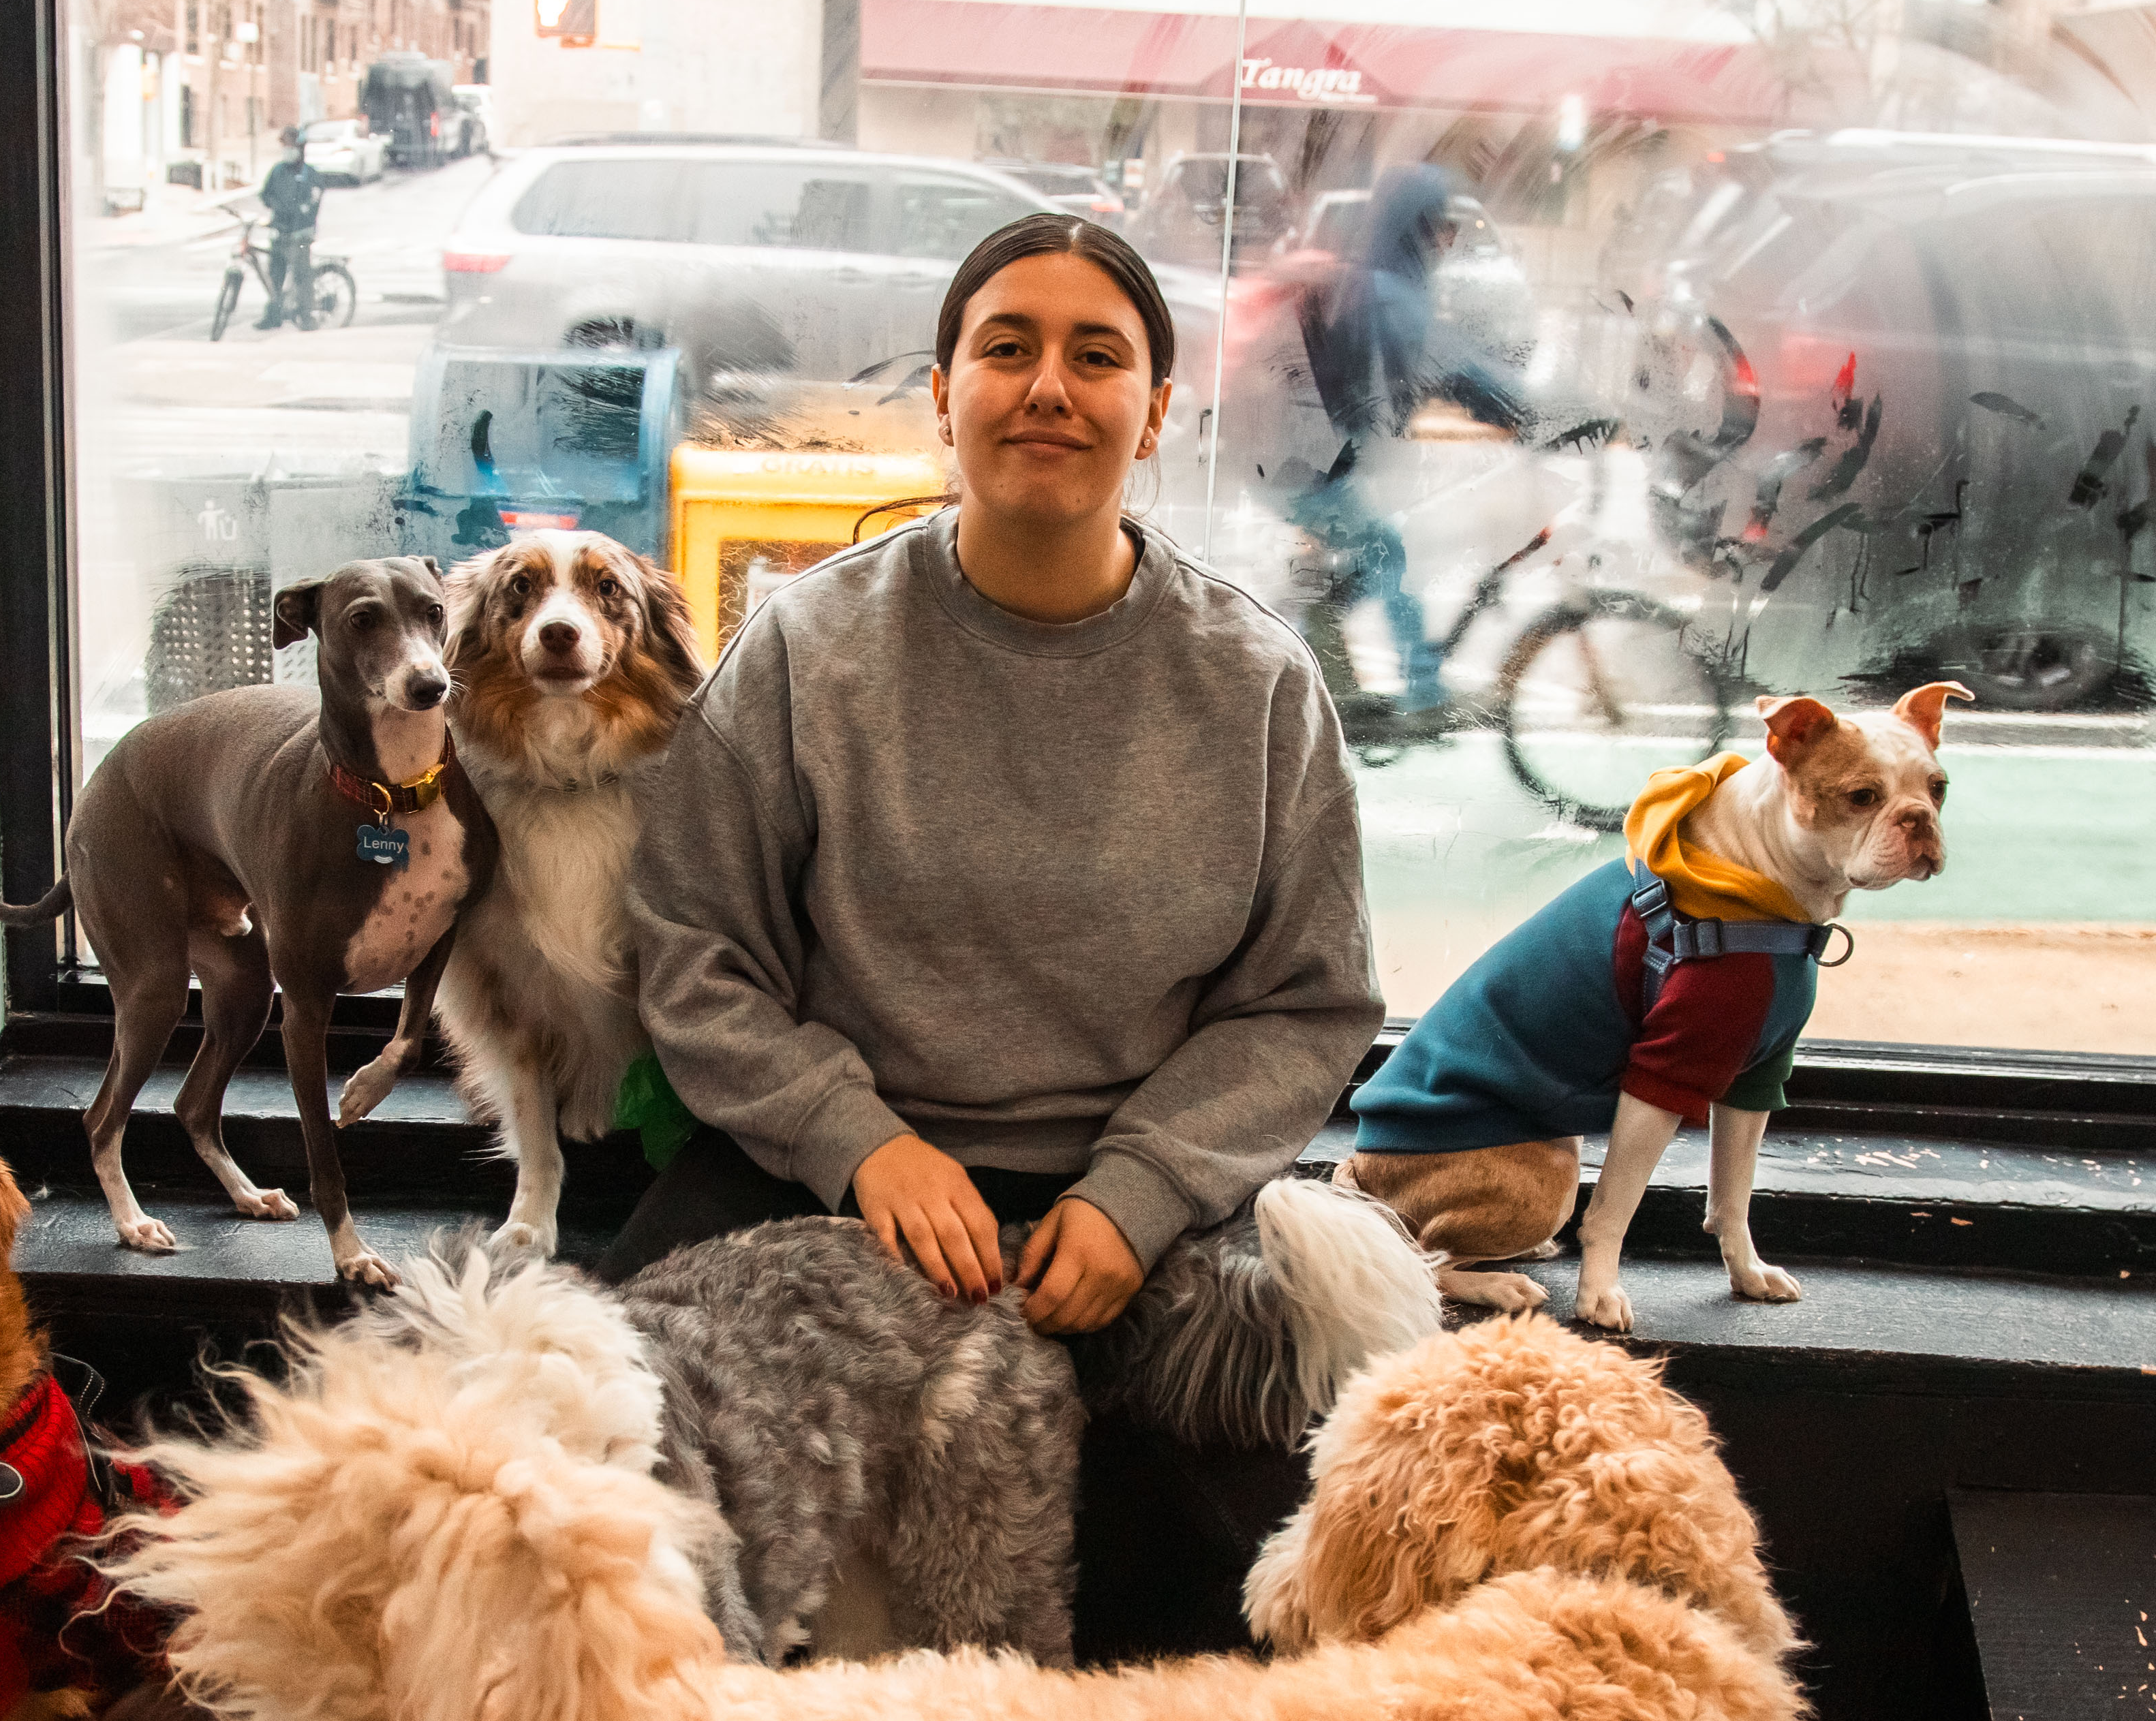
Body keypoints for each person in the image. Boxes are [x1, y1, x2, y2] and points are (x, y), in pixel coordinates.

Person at [610, 212, 1381, 1637]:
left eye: (1097, 357)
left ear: (1155, 410)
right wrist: (860, 1143)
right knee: (621, 1503)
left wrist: (1139, 1191)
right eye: (1006, 348)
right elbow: (694, 954)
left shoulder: (1259, 684)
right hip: (829, 1176)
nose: (1047, 389)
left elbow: (1308, 1001)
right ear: (942, 395)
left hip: (1140, 1200)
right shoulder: (806, 648)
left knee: (1249, 1592)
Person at [1293, 160, 1533, 707]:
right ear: (1418, 226)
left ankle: (1322, 683)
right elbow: (1456, 369)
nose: (1448, 239)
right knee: (1388, 555)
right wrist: (1524, 411)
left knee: (1352, 574)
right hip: (1308, 464)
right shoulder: (1388, 293)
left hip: (1313, 459)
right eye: (1440, 225)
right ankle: (1423, 693)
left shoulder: (1384, 281)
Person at [256, 127, 329, 331]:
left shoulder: (310, 175)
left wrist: (298, 213)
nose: (287, 150)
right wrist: (275, 206)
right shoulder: (278, 171)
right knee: (275, 276)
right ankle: (274, 315)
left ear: (300, 148)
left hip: (300, 234)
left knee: (301, 275)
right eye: (284, 146)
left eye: (290, 146)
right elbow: (265, 194)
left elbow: (313, 203)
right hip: (280, 231)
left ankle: (307, 317)